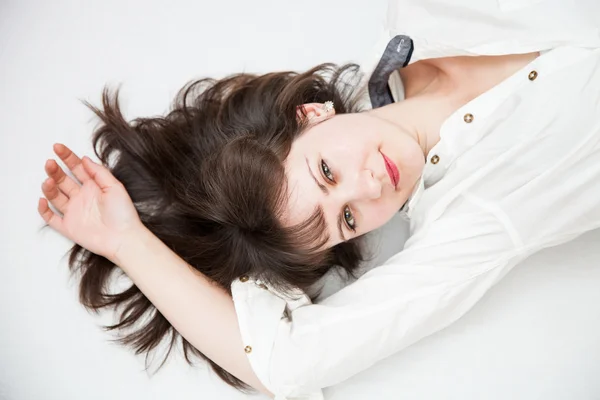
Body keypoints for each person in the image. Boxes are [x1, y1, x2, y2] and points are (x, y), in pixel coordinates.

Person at [38, 0, 600, 399]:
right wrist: (127, 242)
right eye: (347, 219)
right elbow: (287, 360)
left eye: (327, 172)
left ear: (311, 113)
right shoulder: (480, 214)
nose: (368, 187)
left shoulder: (421, 15)